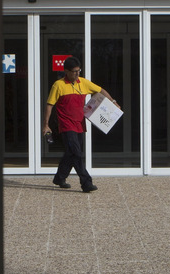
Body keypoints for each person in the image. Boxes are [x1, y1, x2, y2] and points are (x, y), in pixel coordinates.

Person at [42, 56, 119, 192]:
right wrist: (46, 124)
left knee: (71, 153)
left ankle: (59, 178)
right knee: (76, 153)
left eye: (79, 71)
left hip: (80, 124)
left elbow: (100, 90)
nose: (77, 74)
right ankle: (86, 183)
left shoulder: (83, 83)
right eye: (74, 71)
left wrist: (113, 102)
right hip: (66, 125)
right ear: (66, 71)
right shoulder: (58, 85)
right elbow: (49, 105)